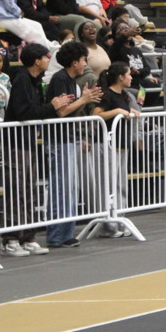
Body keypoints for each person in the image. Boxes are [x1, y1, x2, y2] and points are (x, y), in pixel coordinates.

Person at [1, 44, 70, 256]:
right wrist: (52, 106)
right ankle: (11, 239)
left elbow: (38, 110)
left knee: (29, 190)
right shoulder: (22, 79)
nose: (49, 60)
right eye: (46, 57)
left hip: (28, 142)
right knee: (17, 190)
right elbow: (25, 112)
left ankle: (28, 236)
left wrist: (53, 106)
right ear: (36, 60)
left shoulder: (36, 81)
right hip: (16, 143)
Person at [45, 41, 103, 248]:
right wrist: (84, 100)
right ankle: (56, 235)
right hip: (58, 139)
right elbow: (61, 111)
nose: (85, 64)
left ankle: (66, 233)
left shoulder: (71, 80)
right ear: (74, 62)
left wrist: (85, 99)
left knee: (70, 187)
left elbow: (71, 110)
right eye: (83, 60)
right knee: (61, 187)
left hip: (68, 138)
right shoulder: (60, 79)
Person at [92, 61, 139, 236]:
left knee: (121, 186)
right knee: (108, 186)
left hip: (122, 146)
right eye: (128, 74)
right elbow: (96, 115)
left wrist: (131, 112)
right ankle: (108, 225)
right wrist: (117, 111)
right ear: (120, 77)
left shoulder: (124, 95)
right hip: (108, 146)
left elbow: (124, 110)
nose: (131, 77)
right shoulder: (107, 95)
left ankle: (120, 220)